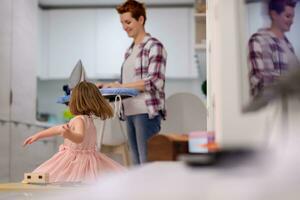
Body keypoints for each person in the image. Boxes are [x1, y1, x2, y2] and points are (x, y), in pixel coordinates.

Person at [96, 0, 167, 165]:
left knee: (146, 163)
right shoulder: (129, 51)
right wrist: (108, 85)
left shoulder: (154, 46)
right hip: (129, 112)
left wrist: (120, 86)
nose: (124, 27)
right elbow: (128, 81)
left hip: (145, 111)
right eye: (122, 23)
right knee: (136, 165)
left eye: (128, 22)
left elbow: (155, 81)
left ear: (141, 20)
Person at [23, 81, 125, 183]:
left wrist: (69, 134)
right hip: (89, 160)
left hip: (74, 161)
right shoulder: (89, 119)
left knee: (57, 180)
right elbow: (58, 129)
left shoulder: (79, 120)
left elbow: (79, 137)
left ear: (76, 100)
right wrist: (38, 135)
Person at [248, 0, 299, 97]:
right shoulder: (259, 40)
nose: (292, 21)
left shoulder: (288, 45)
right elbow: (260, 81)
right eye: (288, 16)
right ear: (274, 15)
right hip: (272, 109)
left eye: (292, 17)